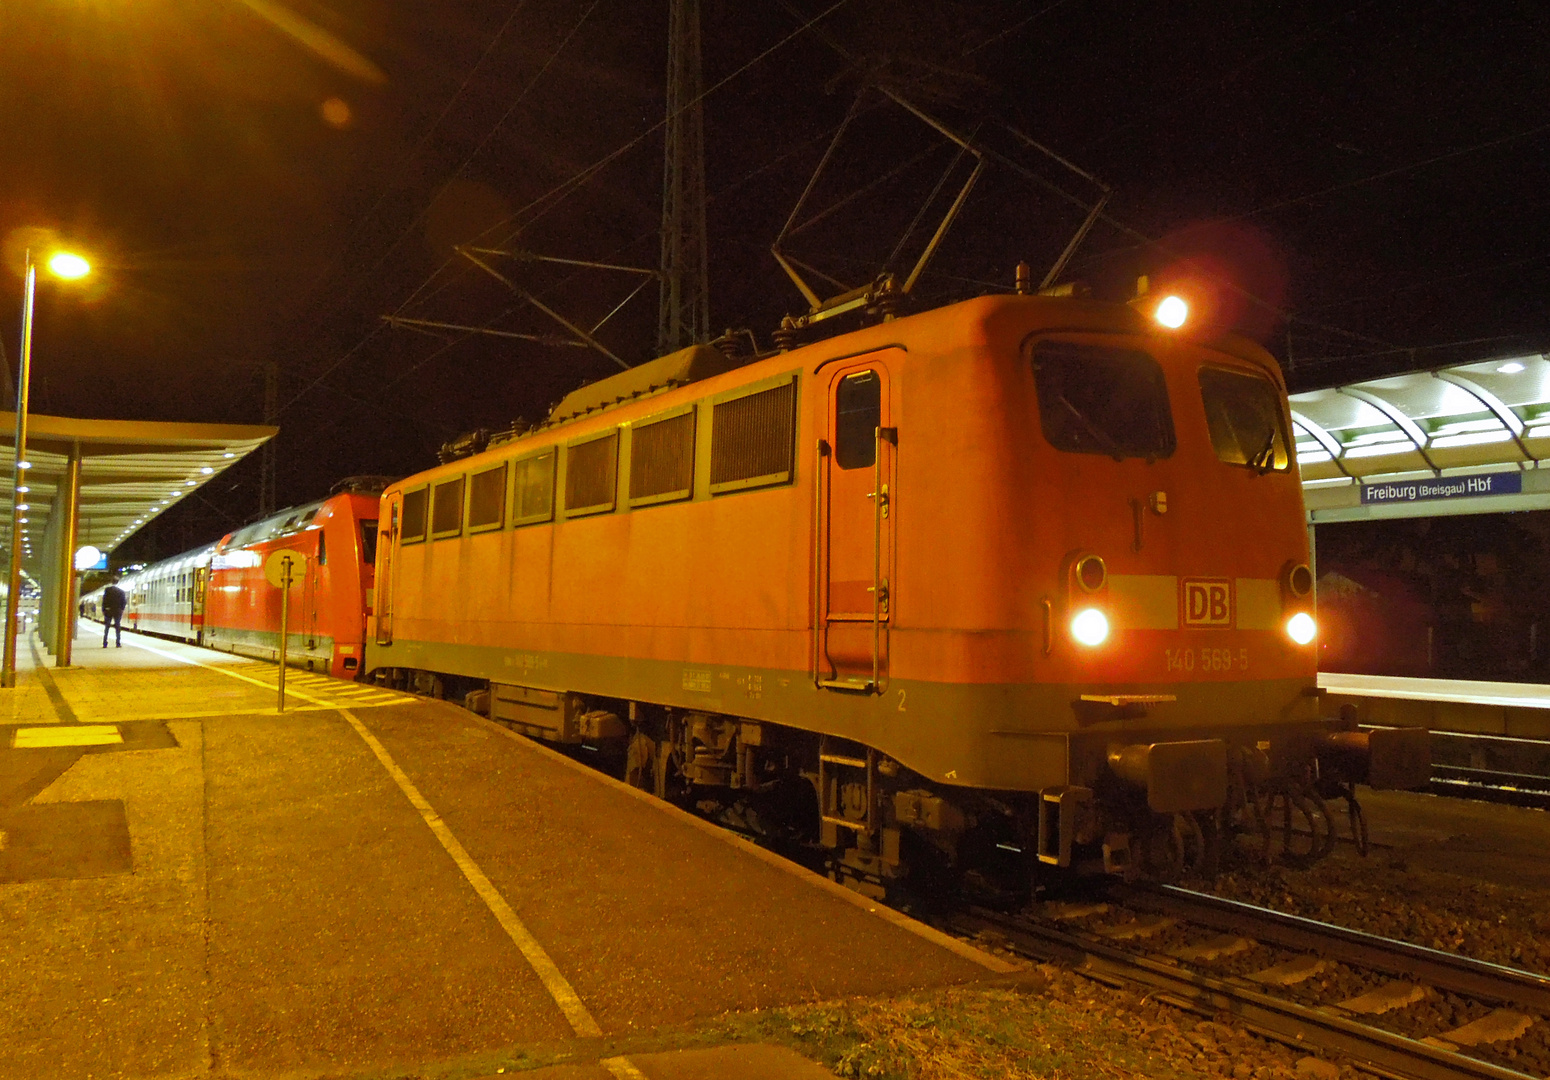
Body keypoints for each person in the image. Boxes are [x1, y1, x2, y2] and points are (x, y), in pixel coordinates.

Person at [102, 580, 126, 648]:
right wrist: (121, 609)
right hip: (117, 611)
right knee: (117, 627)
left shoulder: (107, 590)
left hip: (109, 610)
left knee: (107, 627)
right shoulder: (121, 591)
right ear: (118, 582)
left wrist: (104, 610)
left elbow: (104, 600)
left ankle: (105, 643)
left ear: (111, 582)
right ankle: (118, 643)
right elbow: (124, 602)